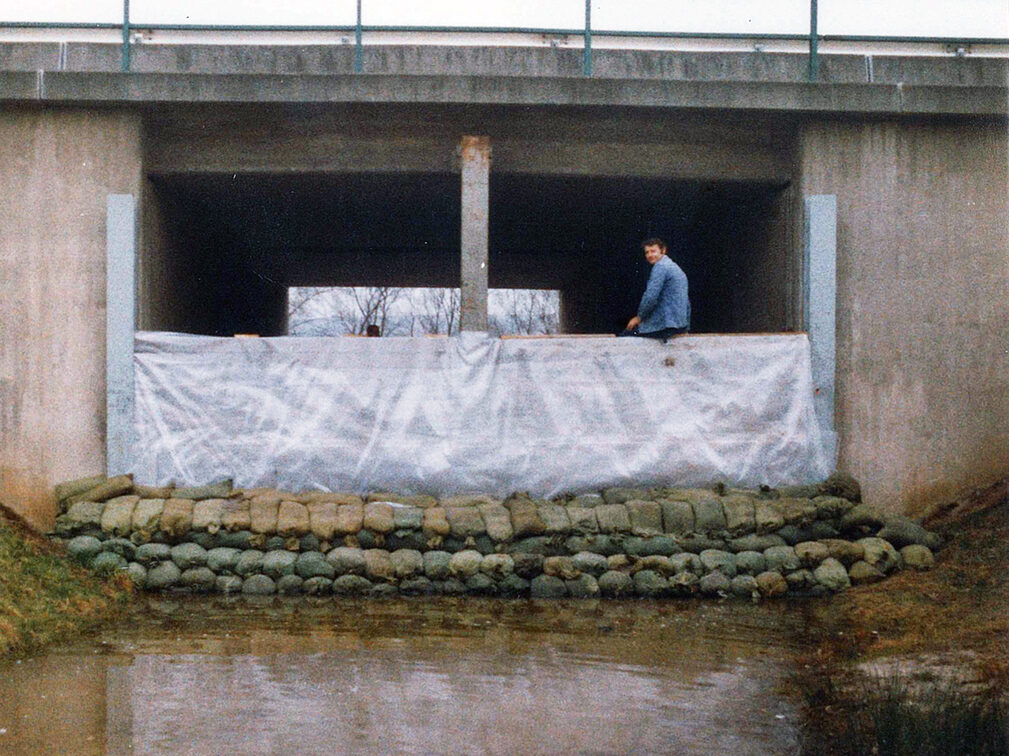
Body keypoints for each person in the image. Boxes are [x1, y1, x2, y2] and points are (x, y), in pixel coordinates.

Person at [619, 237, 690, 340]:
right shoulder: (676, 269)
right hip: (678, 325)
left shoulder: (660, 266)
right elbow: (686, 302)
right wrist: (685, 327)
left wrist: (639, 317)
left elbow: (651, 297)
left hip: (664, 325)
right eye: (647, 252)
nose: (650, 255)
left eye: (653, 251)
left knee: (624, 337)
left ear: (663, 250)